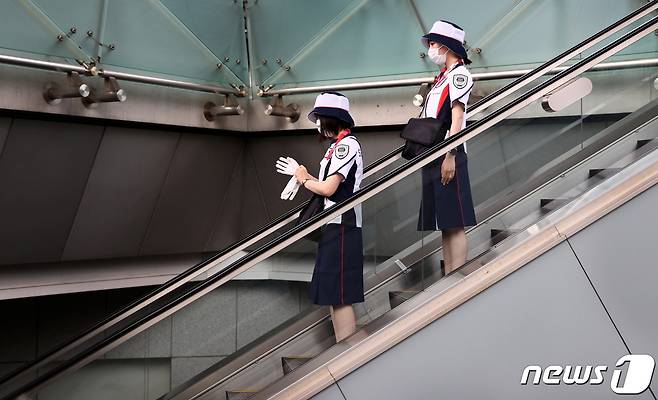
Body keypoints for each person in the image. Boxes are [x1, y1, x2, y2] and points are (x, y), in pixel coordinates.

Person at [294, 92, 364, 342]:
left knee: (340, 295)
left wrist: (304, 179)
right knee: (335, 295)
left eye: (320, 118)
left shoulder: (347, 145)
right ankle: (343, 348)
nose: (318, 124)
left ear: (331, 119)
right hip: (334, 225)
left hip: (343, 226)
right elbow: (325, 186)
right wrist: (303, 176)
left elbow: (328, 189)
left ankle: (349, 352)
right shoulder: (338, 146)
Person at [417, 20, 477, 275]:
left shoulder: (460, 75)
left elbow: (457, 118)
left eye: (433, 43)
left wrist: (450, 154)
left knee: (455, 221)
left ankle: (458, 276)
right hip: (435, 153)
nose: (430, 48)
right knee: (445, 222)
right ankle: (449, 275)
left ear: (446, 45)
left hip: (447, 153)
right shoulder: (443, 77)